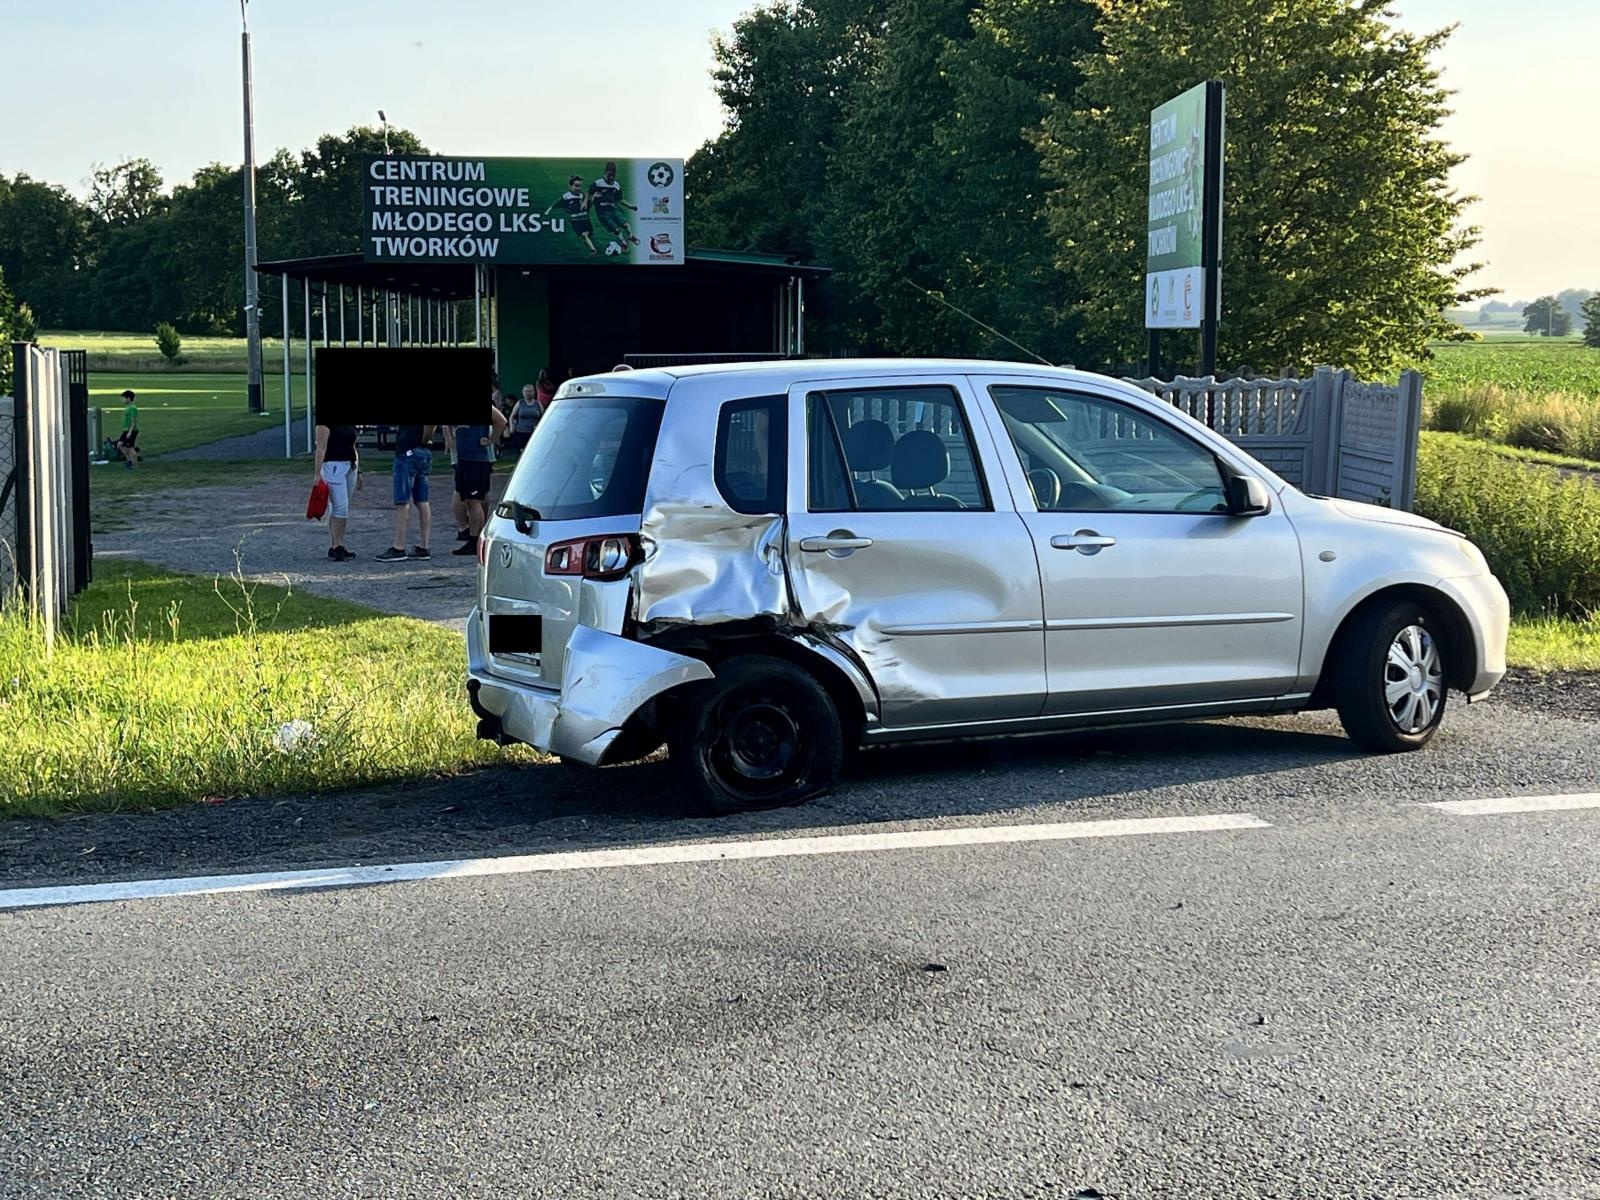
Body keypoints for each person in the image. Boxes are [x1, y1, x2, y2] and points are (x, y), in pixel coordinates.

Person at [447, 403, 509, 556]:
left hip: (476, 460)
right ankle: (475, 537)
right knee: (469, 500)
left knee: (474, 501)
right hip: (464, 458)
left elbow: (501, 421)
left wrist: (491, 439)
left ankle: (475, 540)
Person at [377, 424, 436, 561]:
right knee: (422, 501)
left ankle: (399, 546)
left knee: (402, 501)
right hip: (422, 452)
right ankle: (424, 546)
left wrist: (424, 438)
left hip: (409, 451)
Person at [313, 422, 360, 561]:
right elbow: (321, 447)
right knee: (341, 507)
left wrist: (359, 471)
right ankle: (338, 545)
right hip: (333, 465)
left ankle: (336, 544)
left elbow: (353, 445)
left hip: (350, 465)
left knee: (339, 505)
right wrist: (317, 473)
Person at [588, 161, 639, 249]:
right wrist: (593, 197)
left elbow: (620, 199)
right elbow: (589, 200)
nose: (612, 176)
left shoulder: (616, 185)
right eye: (610, 173)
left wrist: (630, 206)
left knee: (626, 224)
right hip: (603, 212)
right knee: (616, 229)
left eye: (613, 174)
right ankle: (623, 243)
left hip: (614, 209)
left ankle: (630, 236)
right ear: (605, 173)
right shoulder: (597, 184)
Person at [545, 175, 599, 255]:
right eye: (576, 186)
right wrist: (549, 210)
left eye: (580, 186)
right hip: (575, 220)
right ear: (570, 186)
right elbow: (556, 203)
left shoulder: (582, 195)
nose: (578, 188)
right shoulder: (566, 196)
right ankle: (593, 250)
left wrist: (594, 197)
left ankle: (591, 247)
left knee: (585, 236)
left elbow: (588, 205)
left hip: (585, 219)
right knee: (584, 235)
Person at [506, 382, 544, 454]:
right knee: (523, 451)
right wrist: (512, 427)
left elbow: (543, 417)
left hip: (534, 431)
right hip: (521, 431)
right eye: (526, 391)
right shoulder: (520, 403)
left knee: (534, 449)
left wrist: (539, 426)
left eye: (530, 391)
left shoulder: (538, 404)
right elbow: (512, 416)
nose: (528, 393)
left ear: (534, 392)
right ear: (523, 393)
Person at [114, 390, 139, 469]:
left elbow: (134, 421)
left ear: (128, 398)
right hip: (126, 430)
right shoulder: (128, 408)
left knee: (130, 447)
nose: (122, 400)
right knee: (120, 445)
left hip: (131, 430)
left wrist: (130, 432)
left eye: (123, 398)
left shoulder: (133, 408)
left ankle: (134, 465)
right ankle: (129, 460)